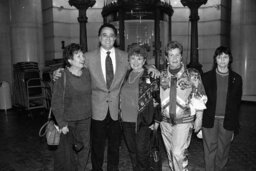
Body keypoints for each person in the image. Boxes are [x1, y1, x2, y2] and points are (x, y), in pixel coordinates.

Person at [53, 23, 159, 171]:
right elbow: (73, 68)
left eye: (111, 35)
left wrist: (151, 67)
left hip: (117, 111)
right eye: (104, 35)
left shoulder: (124, 56)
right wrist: (59, 71)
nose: (108, 38)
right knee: (97, 147)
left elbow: (138, 65)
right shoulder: (88, 57)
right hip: (96, 110)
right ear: (99, 38)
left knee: (115, 146)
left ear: (115, 38)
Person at [159, 41, 207, 171]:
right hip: (165, 122)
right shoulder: (162, 74)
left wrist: (199, 118)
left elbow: (199, 95)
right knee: (170, 154)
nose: (174, 58)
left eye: (177, 55)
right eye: (171, 55)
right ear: (166, 58)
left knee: (177, 153)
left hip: (184, 121)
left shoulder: (192, 74)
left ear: (181, 56)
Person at [120, 44, 161, 171]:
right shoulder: (126, 75)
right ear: (129, 60)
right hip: (126, 121)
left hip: (143, 121)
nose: (136, 62)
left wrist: (156, 121)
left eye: (139, 59)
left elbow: (157, 99)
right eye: (133, 58)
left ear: (144, 61)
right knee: (132, 152)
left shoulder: (149, 76)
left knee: (142, 153)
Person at [51, 43, 91, 171]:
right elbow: (56, 101)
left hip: (85, 119)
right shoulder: (62, 75)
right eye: (78, 56)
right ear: (69, 60)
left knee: (84, 148)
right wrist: (62, 124)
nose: (82, 58)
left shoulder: (87, 73)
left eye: (82, 55)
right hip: (68, 121)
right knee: (68, 153)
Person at [202, 46, 243, 171]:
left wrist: (235, 127)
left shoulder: (237, 79)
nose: (222, 60)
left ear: (230, 59)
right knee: (209, 150)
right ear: (215, 60)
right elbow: (199, 101)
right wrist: (198, 123)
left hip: (227, 120)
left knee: (223, 150)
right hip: (210, 120)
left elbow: (237, 105)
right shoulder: (206, 77)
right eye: (219, 57)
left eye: (225, 57)